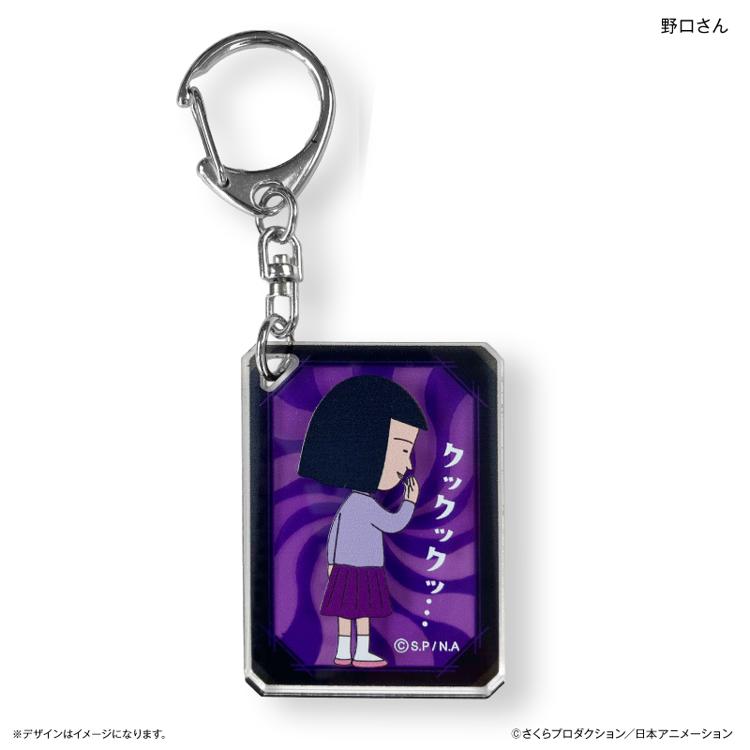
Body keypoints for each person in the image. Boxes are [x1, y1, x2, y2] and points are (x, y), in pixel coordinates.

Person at [298, 375, 427, 667]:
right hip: (364, 570)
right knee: (363, 612)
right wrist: (409, 501)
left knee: (346, 612)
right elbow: (393, 524)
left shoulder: (351, 505)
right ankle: (360, 651)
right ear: (369, 446)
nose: (408, 463)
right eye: (403, 450)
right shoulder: (365, 505)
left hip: (344, 568)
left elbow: (335, 533)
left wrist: (332, 563)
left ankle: (345, 652)